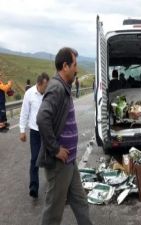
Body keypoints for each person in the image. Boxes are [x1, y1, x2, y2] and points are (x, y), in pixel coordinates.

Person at [36, 47, 93, 225]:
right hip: (59, 163)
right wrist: (55, 149)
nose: (77, 69)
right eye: (75, 65)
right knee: (54, 210)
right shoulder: (57, 88)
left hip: (69, 161)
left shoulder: (64, 87)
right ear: (65, 66)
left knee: (80, 202)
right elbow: (42, 118)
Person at [19, 72, 49, 199]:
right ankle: (33, 187)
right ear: (39, 84)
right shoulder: (29, 94)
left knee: (49, 159)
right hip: (35, 132)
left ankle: (51, 186)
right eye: (45, 86)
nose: (46, 89)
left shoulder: (49, 94)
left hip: (47, 131)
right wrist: (22, 130)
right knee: (35, 159)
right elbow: (24, 112)